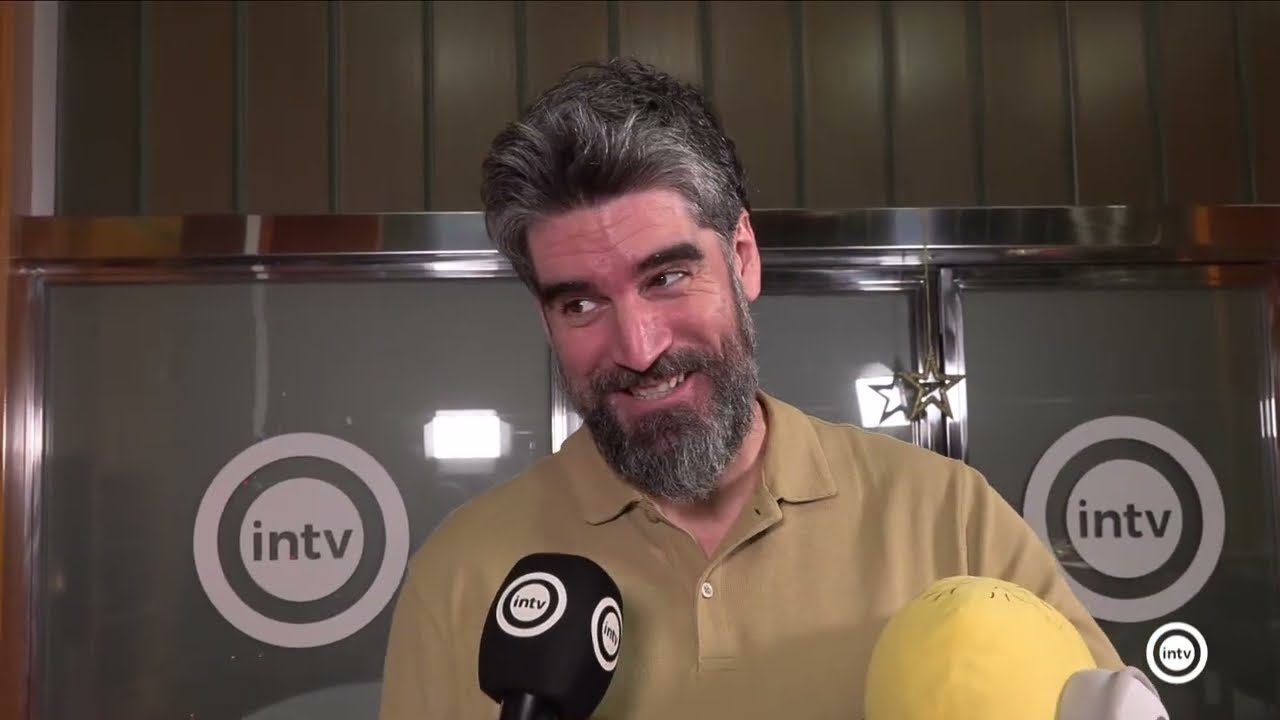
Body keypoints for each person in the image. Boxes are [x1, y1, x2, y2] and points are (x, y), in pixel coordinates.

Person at [378, 58, 1125, 719]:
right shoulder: (461, 574)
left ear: (742, 258)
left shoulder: (949, 518)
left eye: (667, 277)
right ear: (545, 320)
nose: (639, 348)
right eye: (580, 304)